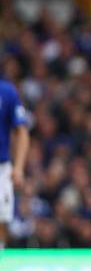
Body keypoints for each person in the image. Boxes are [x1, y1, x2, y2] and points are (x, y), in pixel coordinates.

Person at [0, 77, 29, 250]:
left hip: (1, 167)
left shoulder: (7, 91)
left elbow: (22, 130)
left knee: (1, 220)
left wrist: (18, 167)